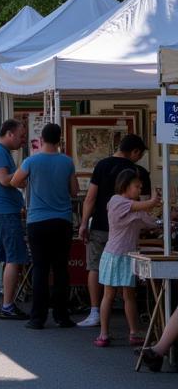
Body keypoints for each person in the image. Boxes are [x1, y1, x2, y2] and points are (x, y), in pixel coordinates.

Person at [10, 122, 79, 329]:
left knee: (40, 268)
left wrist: (28, 184)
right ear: (60, 140)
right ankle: (62, 315)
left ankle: (37, 317)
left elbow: (14, 181)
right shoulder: (67, 162)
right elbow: (74, 191)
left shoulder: (31, 161)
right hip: (62, 220)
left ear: (41, 140)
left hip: (37, 220)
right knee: (60, 269)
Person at [77, 134, 151, 328]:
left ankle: (94, 311)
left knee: (94, 267)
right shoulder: (139, 172)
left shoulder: (102, 165)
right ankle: (133, 327)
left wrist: (84, 223)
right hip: (129, 233)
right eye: (140, 154)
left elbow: (90, 198)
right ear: (135, 152)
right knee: (127, 286)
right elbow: (144, 205)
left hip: (101, 225)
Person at [95, 170, 162, 348]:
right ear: (125, 185)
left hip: (127, 255)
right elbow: (142, 209)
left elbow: (151, 222)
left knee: (129, 295)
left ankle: (133, 332)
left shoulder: (135, 206)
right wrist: (153, 201)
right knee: (109, 295)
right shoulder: (116, 201)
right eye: (137, 186)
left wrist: (166, 221)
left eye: (140, 187)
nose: (139, 190)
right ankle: (103, 333)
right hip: (114, 254)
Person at [0, 118, 29, 319]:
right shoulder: (0, 152)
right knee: (14, 258)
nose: (23, 140)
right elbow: (3, 179)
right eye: (21, 136)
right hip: (4, 211)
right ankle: (8, 305)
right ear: (9, 134)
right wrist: (22, 175)